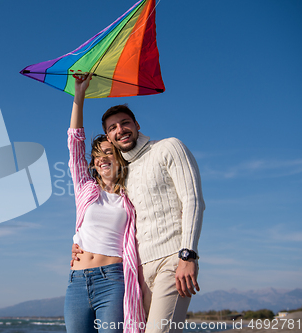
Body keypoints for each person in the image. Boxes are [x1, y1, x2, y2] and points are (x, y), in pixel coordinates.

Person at [72, 91, 205, 333]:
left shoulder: (168, 147)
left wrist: (188, 255)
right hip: (138, 271)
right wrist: (80, 241)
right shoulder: (125, 177)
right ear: (109, 137)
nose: (120, 129)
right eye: (112, 127)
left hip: (172, 261)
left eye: (125, 123)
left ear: (137, 125)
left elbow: (193, 200)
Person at [64, 73, 145, 333]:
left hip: (112, 281)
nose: (102, 159)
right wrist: (79, 95)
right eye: (97, 155)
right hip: (76, 281)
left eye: (108, 152)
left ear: (119, 157)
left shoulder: (131, 195)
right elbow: (75, 143)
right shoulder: (85, 189)